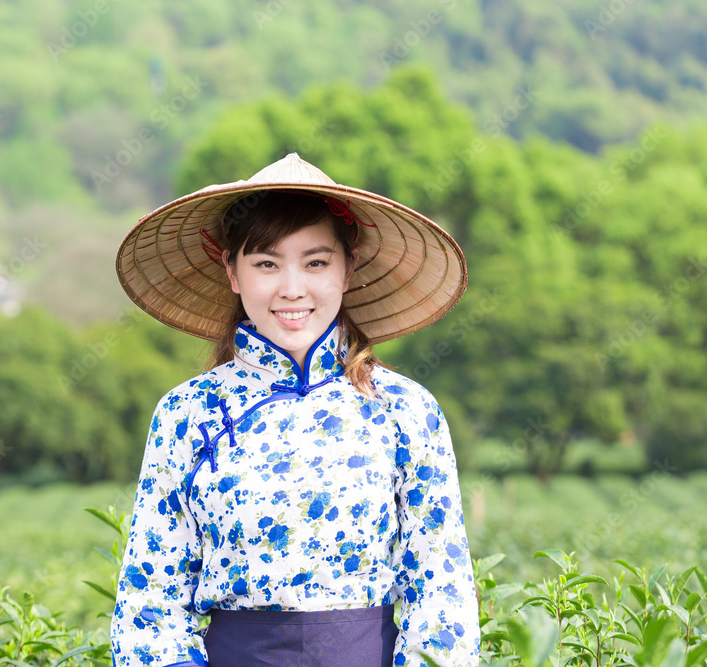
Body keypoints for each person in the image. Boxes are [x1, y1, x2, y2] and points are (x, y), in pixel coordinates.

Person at [110, 153, 480, 667]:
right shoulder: (188, 413)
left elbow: (441, 593)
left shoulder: (405, 411)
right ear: (232, 272)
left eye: (316, 262)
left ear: (347, 270)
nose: (291, 288)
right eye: (266, 263)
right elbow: (150, 604)